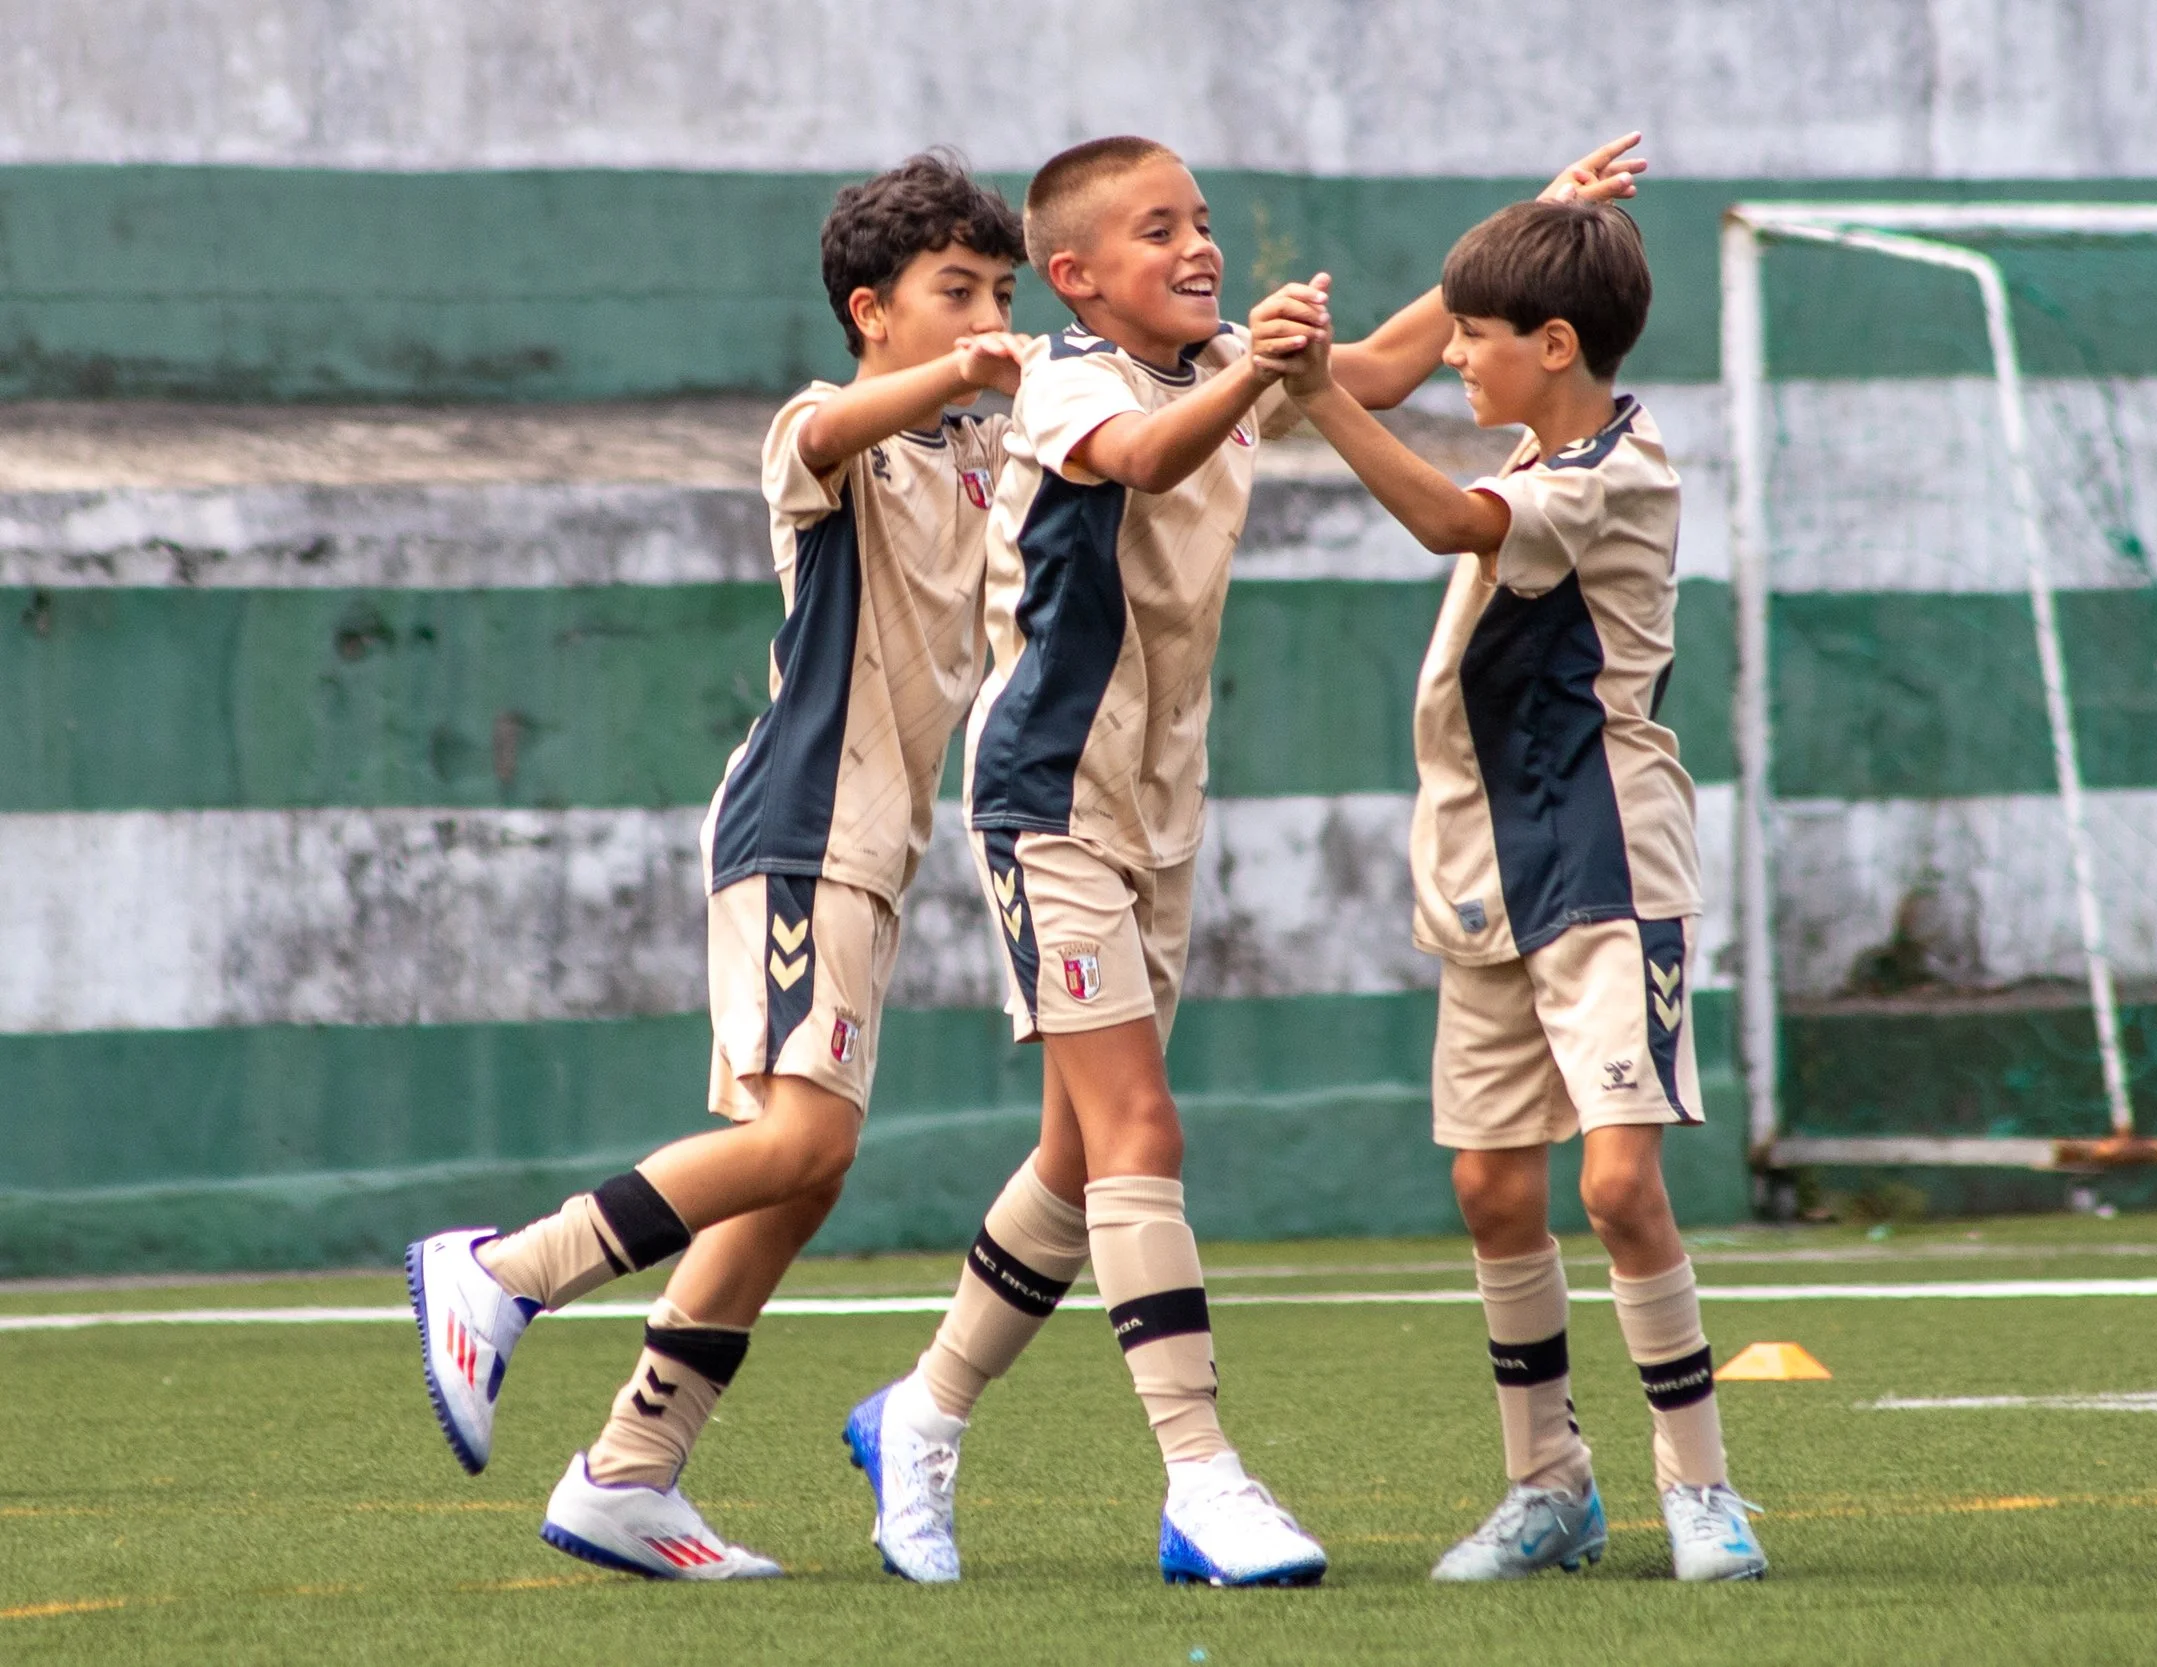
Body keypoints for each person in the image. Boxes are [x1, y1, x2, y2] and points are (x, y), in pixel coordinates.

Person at [843, 133, 1653, 1590]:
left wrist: (1536, 221)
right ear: (1078, 277)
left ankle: (925, 1408)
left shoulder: (1219, 360)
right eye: (1159, 230)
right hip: (1048, 804)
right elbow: (1149, 457)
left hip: (1160, 811)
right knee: (1142, 1134)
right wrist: (1260, 372)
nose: (1199, 246)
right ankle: (1203, 1479)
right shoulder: (1065, 382)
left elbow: (1383, 367)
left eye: (1202, 221)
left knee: (1082, 1156)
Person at [403, 152, 1028, 1580]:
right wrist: (963, 373)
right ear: (871, 311)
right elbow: (837, 428)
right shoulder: (828, 429)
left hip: (871, 843)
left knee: (796, 1176)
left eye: (1002, 292)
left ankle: (629, 1472)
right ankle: (501, 1273)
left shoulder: (979, 448)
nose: (988, 319)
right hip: (802, 825)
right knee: (801, 1145)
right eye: (956, 292)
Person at [1248, 185, 1769, 1583]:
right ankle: (1550, 1488)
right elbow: (1385, 372)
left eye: (1476, 335)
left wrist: (1321, 395)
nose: (1454, 356)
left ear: (1554, 344)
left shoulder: (1619, 472)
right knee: (1490, 1185)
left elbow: (1443, 517)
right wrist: (1539, 212)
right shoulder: (1549, 431)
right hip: (1487, 865)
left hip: (1607, 859)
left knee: (1619, 1184)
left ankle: (1702, 1489)